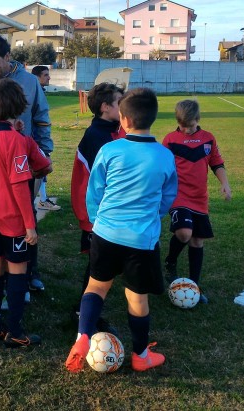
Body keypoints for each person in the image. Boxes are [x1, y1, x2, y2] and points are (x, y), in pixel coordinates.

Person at [65, 88, 178, 373]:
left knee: (96, 286)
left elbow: (95, 190)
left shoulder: (110, 150)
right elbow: (168, 197)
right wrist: (153, 216)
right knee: (137, 297)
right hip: (141, 239)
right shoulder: (165, 156)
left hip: (106, 233)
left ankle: (82, 337)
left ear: (124, 120)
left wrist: (97, 220)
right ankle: (141, 355)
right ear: (153, 118)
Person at [0, 78, 52, 347]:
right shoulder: (16, 141)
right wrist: (29, 224)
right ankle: (16, 332)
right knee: (18, 270)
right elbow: (20, 185)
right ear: (20, 107)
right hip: (12, 215)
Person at [0, 34, 53, 294]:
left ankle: (29, 272)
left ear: (7, 57)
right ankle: (0, 273)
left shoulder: (30, 82)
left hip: (23, 162)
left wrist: (44, 151)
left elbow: (41, 117)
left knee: (26, 215)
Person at [162, 99, 231, 303]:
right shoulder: (170, 140)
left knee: (197, 240)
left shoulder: (208, 139)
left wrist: (225, 183)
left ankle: (194, 286)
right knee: (184, 233)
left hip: (199, 197)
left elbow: (217, 164)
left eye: (190, 126)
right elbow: (162, 167)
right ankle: (170, 262)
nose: (186, 130)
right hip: (178, 195)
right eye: (182, 126)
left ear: (198, 119)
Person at [70, 83, 124, 326]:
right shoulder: (97, 136)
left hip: (106, 212)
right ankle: (83, 313)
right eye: (119, 103)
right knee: (98, 264)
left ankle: (87, 308)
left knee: (105, 263)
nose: (124, 108)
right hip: (96, 213)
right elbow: (101, 181)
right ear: (105, 107)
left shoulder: (113, 131)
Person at [31, 65, 60, 212]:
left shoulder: (38, 91)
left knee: (41, 170)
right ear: (36, 77)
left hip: (39, 137)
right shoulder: (33, 92)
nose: (49, 77)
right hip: (36, 138)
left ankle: (42, 199)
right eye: (45, 75)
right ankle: (39, 201)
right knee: (41, 169)